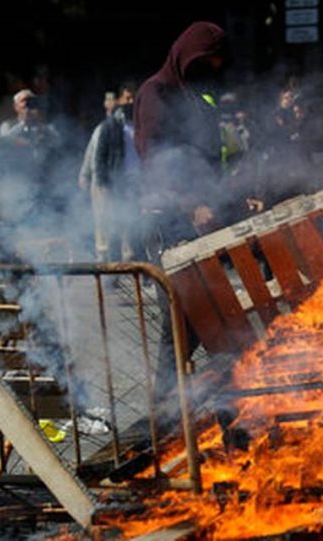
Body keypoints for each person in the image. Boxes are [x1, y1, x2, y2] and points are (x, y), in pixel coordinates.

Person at [133, 21, 232, 405]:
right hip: (168, 221)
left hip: (200, 222)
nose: (213, 69)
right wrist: (192, 205)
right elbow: (157, 161)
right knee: (180, 312)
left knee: (203, 312)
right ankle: (163, 406)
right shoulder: (155, 93)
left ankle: (202, 398)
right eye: (207, 60)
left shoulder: (194, 97)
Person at [92, 82, 141, 262]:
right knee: (114, 228)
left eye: (134, 97)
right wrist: (103, 185)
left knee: (136, 228)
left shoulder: (142, 123)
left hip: (138, 185)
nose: (131, 101)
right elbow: (99, 159)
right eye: (127, 97)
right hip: (117, 184)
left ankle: (135, 266)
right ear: (120, 100)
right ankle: (114, 268)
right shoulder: (110, 126)